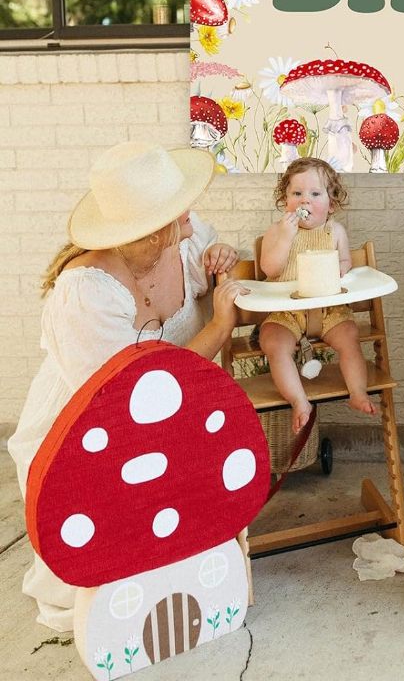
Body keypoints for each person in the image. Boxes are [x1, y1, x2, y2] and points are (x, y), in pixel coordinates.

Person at [7, 141, 250, 633]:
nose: (190, 209)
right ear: (151, 229)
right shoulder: (86, 293)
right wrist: (219, 327)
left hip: (170, 416)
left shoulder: (183, 241)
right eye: (177, 206)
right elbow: (135, 397)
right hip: (90, 429)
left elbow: (233, 272)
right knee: (116, 555)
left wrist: (228, 262)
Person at [259, 157, 377, 432]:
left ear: (331, 204)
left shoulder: (335, 231)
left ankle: (357, 392)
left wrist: (341, 269)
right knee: (273, 343)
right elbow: (269, 269)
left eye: (315, 194)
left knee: (349, 337)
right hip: (287, 311)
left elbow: (345, 262)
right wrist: (286, 237)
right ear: (285, 200)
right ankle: (299, 401)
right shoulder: (276, 231)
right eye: (297, 193)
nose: (305, 201)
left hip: (329, 310)